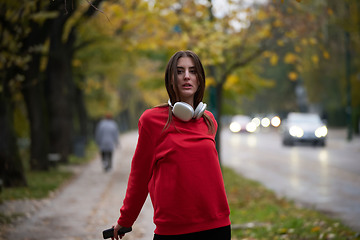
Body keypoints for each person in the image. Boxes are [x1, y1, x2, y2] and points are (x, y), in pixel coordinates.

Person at [110, 50, 231, 240]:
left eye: (192, 71)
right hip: (173, 230)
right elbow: (139, 176)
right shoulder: (151, 121)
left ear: (200, 79)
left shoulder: (209, 121)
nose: (187, 76)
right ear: (171, 79)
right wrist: (126, 220)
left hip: (216, 226)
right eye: (180, 71)